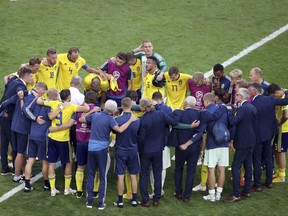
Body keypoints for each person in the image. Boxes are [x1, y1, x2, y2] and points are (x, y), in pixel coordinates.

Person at [79, 100, 137, 210]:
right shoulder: (110, 120)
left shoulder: (95, 115)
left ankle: (89, 202)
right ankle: (101, 203)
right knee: (102, 176)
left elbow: (81, 119)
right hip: (102, 151)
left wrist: (91, 111)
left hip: (91, 149)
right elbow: (120, 130)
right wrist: (130, 120)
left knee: (90, 175)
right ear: (114, 110)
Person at [39, 89, 90, 197]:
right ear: (69, 97)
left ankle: (53, 189)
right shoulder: (72, 106)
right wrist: (84, 101)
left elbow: (39, 101)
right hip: (63, 139)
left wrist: (39, 95)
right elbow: (86, 108)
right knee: (68, 163)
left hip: (52, 138)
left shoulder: (54, 103)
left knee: (51, 163)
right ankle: (67, 189)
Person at [138, 98, 180, 207]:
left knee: (144, 175)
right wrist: (178, 112)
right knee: (157, 174)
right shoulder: (161, 114)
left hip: (146, 151)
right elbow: (174, 122)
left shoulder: (143, 120)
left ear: (143, 107)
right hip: (158, 149)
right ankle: (156, 199)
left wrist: (139, 150)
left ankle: (145, 200)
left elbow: (141, 138)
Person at [248, 83, 288, 191]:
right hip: (269, 134)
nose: (248, 92)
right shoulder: (270, 100)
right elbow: (285, 101)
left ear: (254, 91)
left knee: (257, 159)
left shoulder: (253, 104)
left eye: (249, 91)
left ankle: (257, 184)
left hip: (257, 136)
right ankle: (269, 182)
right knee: (268, 157)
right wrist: (285, 92)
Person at [224, 88, 258, 203]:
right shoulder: (252, 107)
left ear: (242, 97)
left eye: (237, 94)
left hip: (243, 142)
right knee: (248, 166)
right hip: (251, 140)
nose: (236, 96)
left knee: (236, 166)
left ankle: (236, 194)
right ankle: (247, 190)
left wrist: (229, 111)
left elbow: (233, 122)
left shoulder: (243, 109)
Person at [0, 67, 33, 177]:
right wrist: (30, 92)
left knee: (4, 143)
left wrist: (3, 110)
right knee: (15, 146)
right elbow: (19, 94)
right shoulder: (21, 85)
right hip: (9, 118)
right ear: (26, 76)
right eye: (31, 76)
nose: (32, 78)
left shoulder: (13, 79)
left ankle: (4, 167)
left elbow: (6, 91)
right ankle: (16, 170)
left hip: (3, 116)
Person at [202, 92, 234, 202]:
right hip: (224, 143)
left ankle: (211, 194)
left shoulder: (206, 112)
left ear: (206, 101)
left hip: (212, 144)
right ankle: (219, 194)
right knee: (222, 169)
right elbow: (231, 124)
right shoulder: (225, 109)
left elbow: (203, 130)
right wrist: (231, 141)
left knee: (211, 169)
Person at [173, 96, 206, 202]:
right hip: (195, 147)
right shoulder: (199, 115)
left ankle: (178, 193)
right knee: (191, 171)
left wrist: (185, 144)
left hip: (181, 147)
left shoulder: (179, 113)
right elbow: (200, 133)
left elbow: (173, 124)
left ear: (185, 103)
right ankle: (187, 195)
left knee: (178, 169)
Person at [113, 97, 141, 208]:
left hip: (120, 150)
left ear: (122, 105)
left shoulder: (117, 120)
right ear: (132, 105)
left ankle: (120, 201)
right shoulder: (137, 120)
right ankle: (134, 200)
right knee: (133, 175)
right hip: (133, 150)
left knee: (120, 176)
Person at [22, 82, 49, 192]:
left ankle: (27, 185)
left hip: (32, 135)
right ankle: (46, 184)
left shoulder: (35, 104)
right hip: (42, 137)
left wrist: (34, 118)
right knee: (44, 161)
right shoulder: (48, 107)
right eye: (43, 91)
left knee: (31, 160)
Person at [267, 83, 288, 183]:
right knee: (276, 150)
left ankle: (282, 176)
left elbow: (286, 115)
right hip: (283, 129)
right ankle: (279, 172)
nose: (275, 98)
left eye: (274, 96)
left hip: (283, 129)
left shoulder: (284, 98)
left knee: (280, 152)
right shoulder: (285, 93)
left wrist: (279, 124)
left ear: (277, 92)